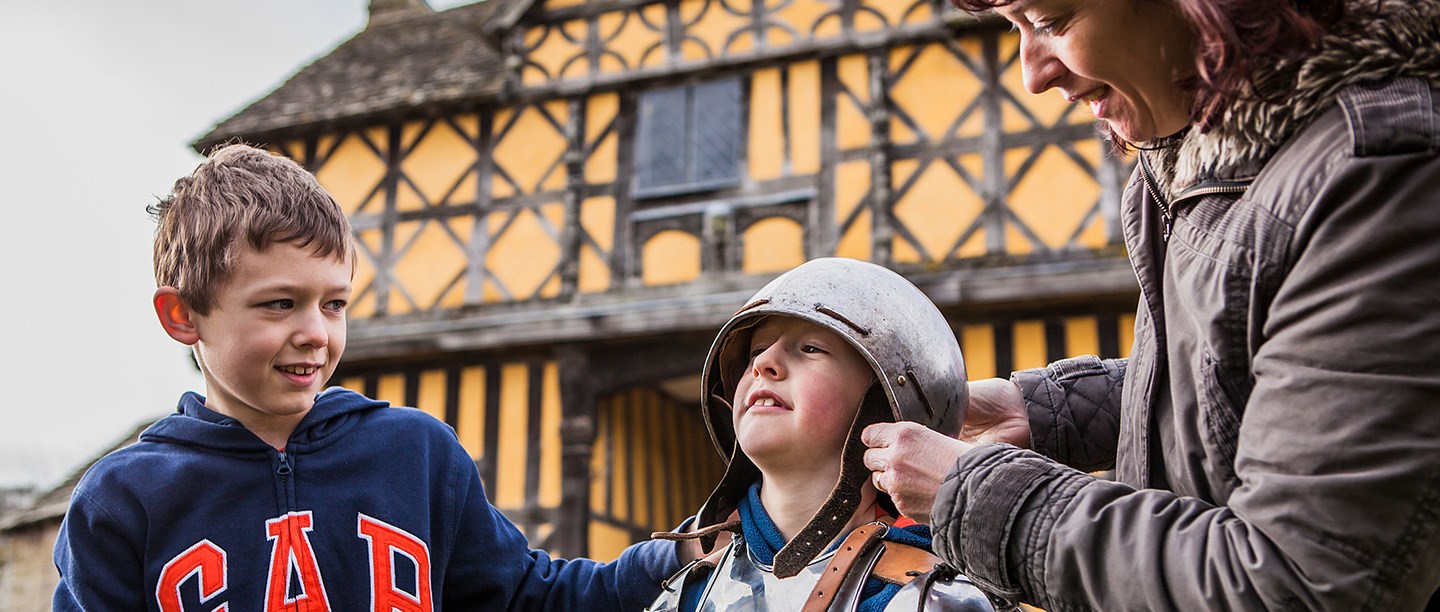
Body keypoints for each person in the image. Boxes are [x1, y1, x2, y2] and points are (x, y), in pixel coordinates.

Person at [861, 0, 1440, 609]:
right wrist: (1048, 412)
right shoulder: (1192, 158)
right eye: (1015, 28)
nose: (1033, 75)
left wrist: (976, 497)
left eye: (1051, 22)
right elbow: (1254, 383)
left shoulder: (1377, 174)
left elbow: (1295, 583)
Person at [51, 144, 682, 610]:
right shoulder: (121, 500)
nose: (315, 333)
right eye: (279, 304)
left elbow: (527, 597)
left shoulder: (418, 453)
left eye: (334, 304)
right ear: (183, 315)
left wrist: (669, 560)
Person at [648, 258, 995, 611]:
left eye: (811, 349)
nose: (763, 363)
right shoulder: (682, 596)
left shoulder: (933, 600)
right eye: (756, 351)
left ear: (882, 405)